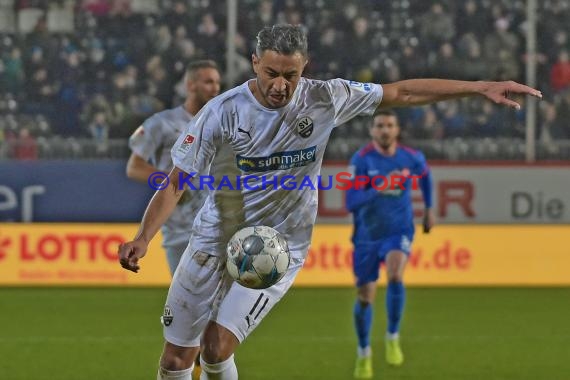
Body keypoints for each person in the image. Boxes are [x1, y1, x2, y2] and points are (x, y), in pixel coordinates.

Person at [117, 24, 541, 380]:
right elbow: (175, 182)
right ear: (254, 63)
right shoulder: (222, 112)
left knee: (216, 346)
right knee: (176, 359)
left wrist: (478, 87)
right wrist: (143, 237)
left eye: (291, 75)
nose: (280, 85)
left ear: (305, 68)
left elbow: (403, 93)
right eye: (270, 73)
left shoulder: (326, 97)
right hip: (215, 238)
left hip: (278, 249)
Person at [346, 110, 434, 379]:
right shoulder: (361, 161)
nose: (385, 130)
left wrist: (429, 209)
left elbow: (426, 177)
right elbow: (351, 202)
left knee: (396, 273)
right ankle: (364, 353)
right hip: (367, 236)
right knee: (365, 296)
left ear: (397, 130)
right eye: (380, 126)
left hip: (399, 230)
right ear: (372, 131)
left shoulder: (411, 157)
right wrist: (379, 187)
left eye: (389, 125)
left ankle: (392, 335)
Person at [126, 59, 221, 275]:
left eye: (217, 82)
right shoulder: (162, 123)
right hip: (180, 230)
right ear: (190, 85)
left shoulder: (221, 123)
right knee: (188, 303)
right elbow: (134, 167)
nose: (215, 88)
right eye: (208, 82)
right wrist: (173, 183)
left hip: (215, 227)